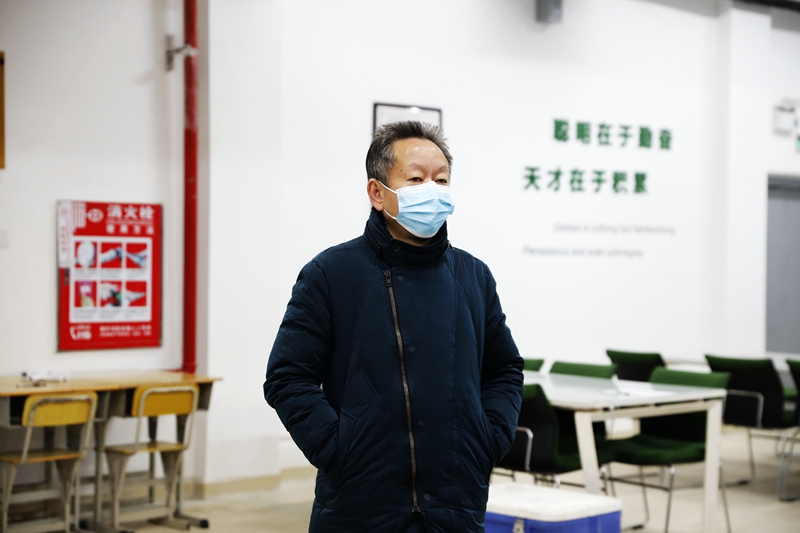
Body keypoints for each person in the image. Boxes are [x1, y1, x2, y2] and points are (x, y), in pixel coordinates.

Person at [263, 121, 523, 533]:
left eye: (441, 180)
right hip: (359, 505)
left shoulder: (473, 276)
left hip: (455, 503)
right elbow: (287, 376)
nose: (432, 190)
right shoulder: (331, 273)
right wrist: (337, 449)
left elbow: (504, 369)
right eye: (416, 179)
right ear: (377, 193)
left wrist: (487, 440)